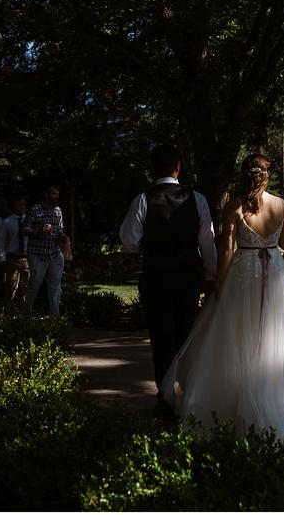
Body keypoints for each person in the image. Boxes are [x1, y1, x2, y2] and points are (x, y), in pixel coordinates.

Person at [159, 153, 284, 447]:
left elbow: (226, 251)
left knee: (238, 338)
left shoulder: (234, 206)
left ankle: (236, 407)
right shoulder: (282, 205)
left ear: (245, 175)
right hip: (274, 273)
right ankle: (267, 401)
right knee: (268, 339)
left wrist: (219, 285)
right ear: (267, 175)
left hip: (245, 273)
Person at [119, 145, 217, 415]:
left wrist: (149, 245)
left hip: (156, 278)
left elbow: (129, 240)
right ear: (178, 167)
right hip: (188, 278)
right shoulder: (196, 199)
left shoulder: (142, 199)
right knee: (186, 338)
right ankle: (188, 399)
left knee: (161, 340)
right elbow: (207, 243)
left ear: (153, 169)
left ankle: (165, 400)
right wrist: (210, 276)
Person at [23, 185, 65, 317]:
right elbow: (24, 229)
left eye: (57, 194)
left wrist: (63, 238)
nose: (56, 196)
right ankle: (26, 314)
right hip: (37, 253)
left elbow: (60, 229)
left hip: (54, 252)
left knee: (55, 286)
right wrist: (39, 230)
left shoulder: (58, 211)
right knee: (35, 284)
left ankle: (55, 316)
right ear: (46, 194)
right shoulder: (34, 210)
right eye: (54, 194)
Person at [0, 197, 30, 304]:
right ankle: (8, 312)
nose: (21, 207)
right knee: (11, 287)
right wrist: (2, 259)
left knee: (26, 287)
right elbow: (1, 242)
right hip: (12, 258)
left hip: (27, 258)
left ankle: (24, 313)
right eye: (19, 205)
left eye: (23, 205)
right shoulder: (7, 222)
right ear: (14, 206)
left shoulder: (30, 221)